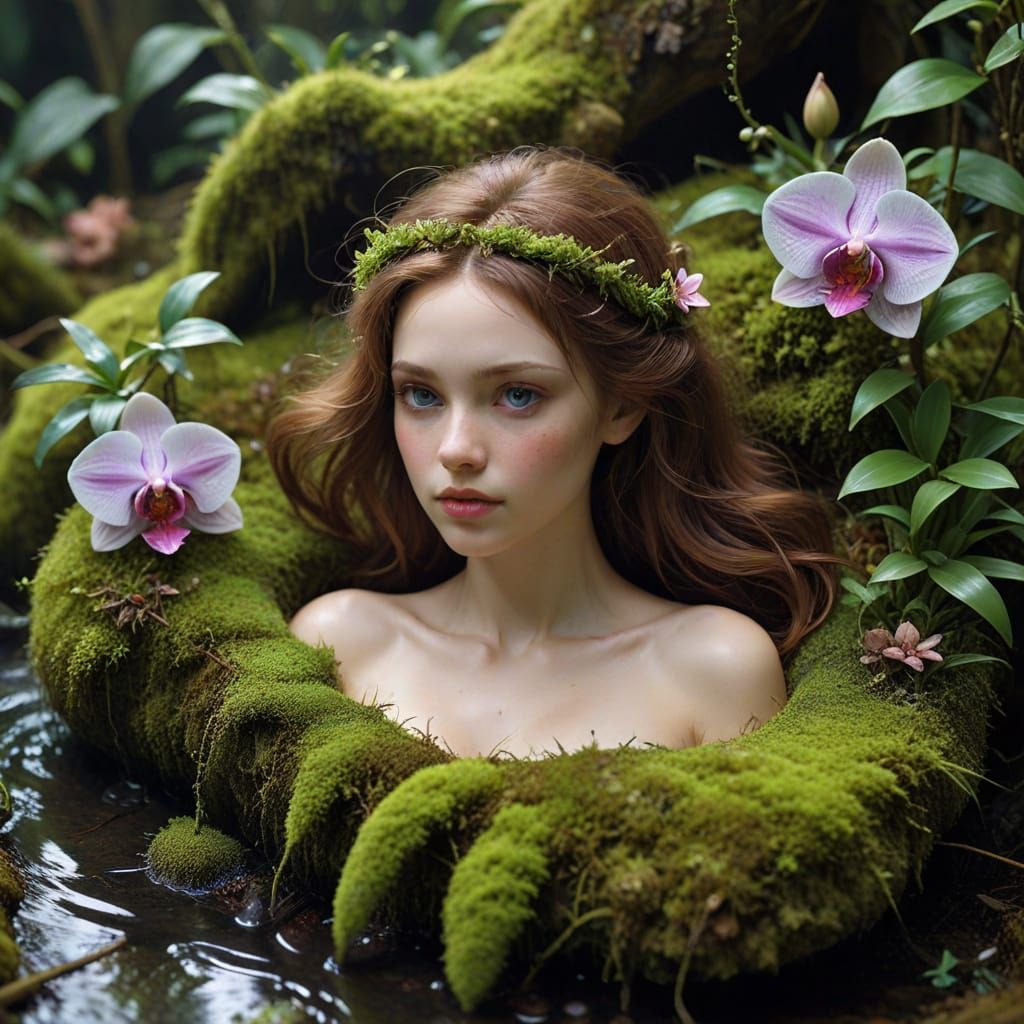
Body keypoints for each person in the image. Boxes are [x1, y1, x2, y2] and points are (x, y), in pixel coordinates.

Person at [267, 146, 845, 759]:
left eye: (518, 395)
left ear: (622, 407)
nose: (457, 450)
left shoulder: (715, 670)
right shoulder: (340, 643)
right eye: (421, 394)